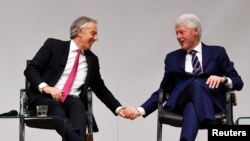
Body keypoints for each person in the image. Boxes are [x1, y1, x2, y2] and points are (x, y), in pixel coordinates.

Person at [125, 14, 244, 141]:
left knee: (191, 106)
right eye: (176, 34)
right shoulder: (172, 58)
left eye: (181, 32)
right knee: (195, 83)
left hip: (211, 102)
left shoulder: (217, 52)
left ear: (195, 31)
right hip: (182, 101)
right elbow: (163, 90)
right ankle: (208, 120)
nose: (178, 37)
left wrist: (223, 79)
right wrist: (140, 110)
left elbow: (238, 82)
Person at [24, 16, 128, 141]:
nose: (96, 38)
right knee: (56, 108)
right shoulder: (53, 45)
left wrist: (118, 108)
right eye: (93, 33)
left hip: (71, 101)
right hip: (44, 98)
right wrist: (46, 88)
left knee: (78, 106)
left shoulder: (92, 60)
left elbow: (100, 88)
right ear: (80, 32)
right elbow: (31, 69)